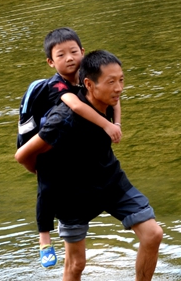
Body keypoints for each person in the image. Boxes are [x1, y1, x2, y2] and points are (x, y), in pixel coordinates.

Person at [15, 50, 162, 281]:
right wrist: (43, 174)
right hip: (72, 194)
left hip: (110, 180)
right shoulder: (63, 119)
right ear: (89, 85)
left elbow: (115, 104)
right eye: (111, 82)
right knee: (76, 264)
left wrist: (115, 124)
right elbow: (23, 155)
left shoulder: (107, 102)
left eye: (122, 80)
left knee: (153, 234)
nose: (118, 89)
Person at [27, 28, 123, 268]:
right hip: (52, 142)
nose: (69, 58)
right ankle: (44, 241)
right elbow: (76, 106)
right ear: (50, 62)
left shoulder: (89, 75)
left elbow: (116, 98)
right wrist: (106, 126)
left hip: (74, 144)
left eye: (73, 52)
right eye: (61, 55)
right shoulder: (56, 86)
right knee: (46, 189)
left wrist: (117, 123)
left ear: (82, 51)